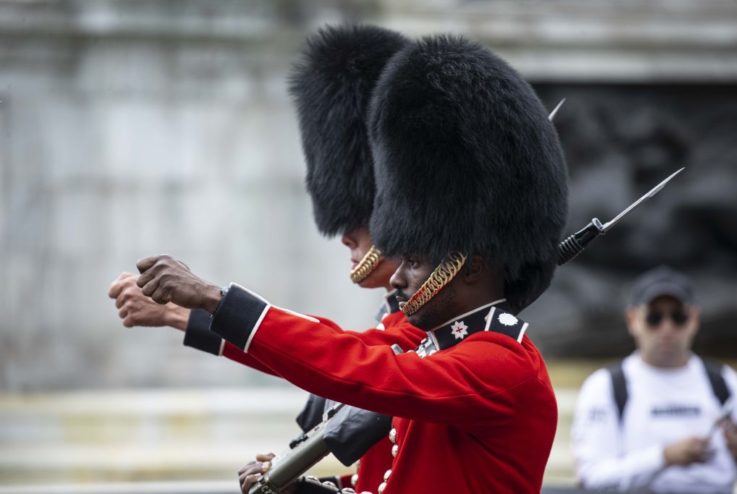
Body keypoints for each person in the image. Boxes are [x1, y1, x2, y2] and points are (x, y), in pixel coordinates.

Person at [134, 33, 568, 493]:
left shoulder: (501, 367)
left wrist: (212, 301)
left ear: (472, 267)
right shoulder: (439, 350)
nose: (399, 275)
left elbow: (357, 366)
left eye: (415, 260)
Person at [109, 25, 424, 493]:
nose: (345, 236)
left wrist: (200, 305)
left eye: (363, 213)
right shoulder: (398, 322)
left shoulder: (457, 345)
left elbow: (337, 353)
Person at [571, 266, 737, 493]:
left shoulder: (726, 382)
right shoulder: (605, 386)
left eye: (678, 317)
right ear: (633, 320)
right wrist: (664, 458)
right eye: (654, 317)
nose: (667, 328)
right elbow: (590, 477)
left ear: (694, 319)